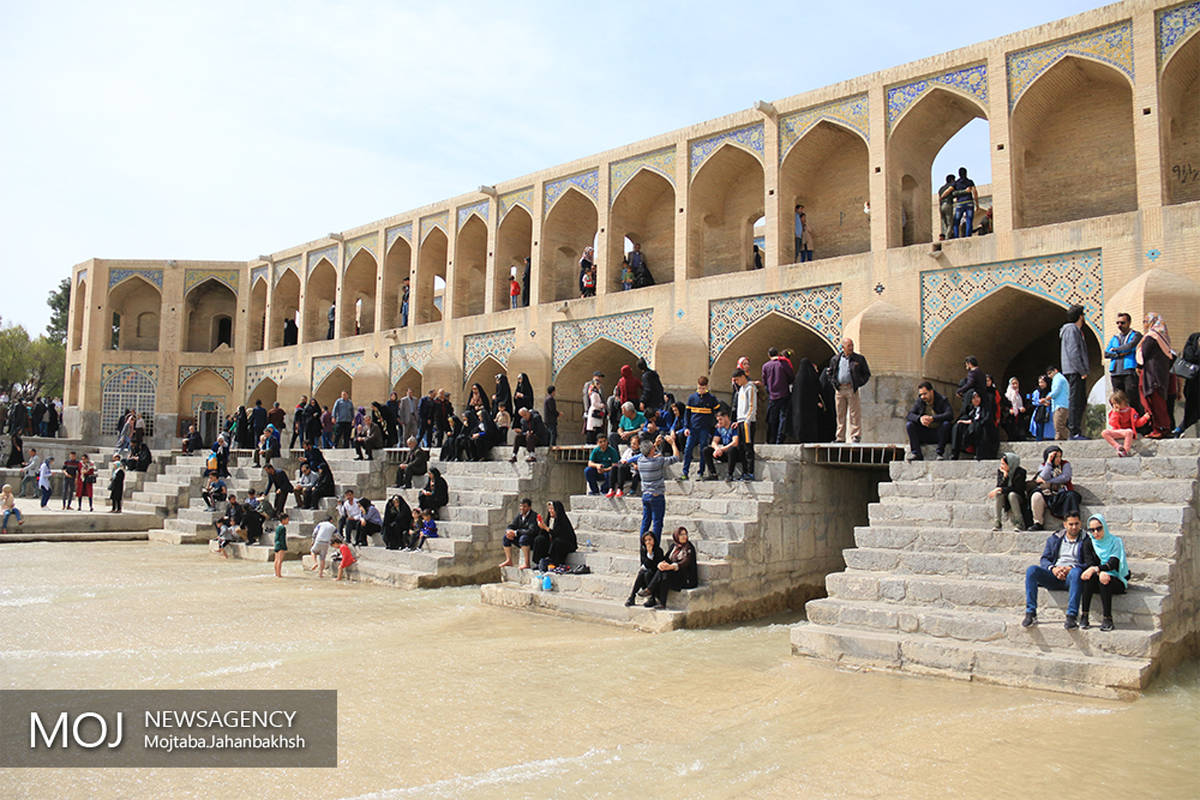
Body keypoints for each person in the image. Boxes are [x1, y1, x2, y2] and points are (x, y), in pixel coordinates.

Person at [1022, 510, 1090, 629]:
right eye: (1071, 524)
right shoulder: (1055, 538)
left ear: (1080, 523)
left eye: (1076, 524)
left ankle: (1072, 616)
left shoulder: (1086, 540)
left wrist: (1070, 568)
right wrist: (1053, 569)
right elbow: (1045, 559)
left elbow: (1088, 563)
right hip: (1054, 575)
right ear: (1065, 524)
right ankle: (1030, 613)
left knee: (1076, 572)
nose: (1074, 527)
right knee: (1031, 570)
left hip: (1072, 577)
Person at [1079, 513, 1130, 631]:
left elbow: (1113, 563)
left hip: (1115, 579)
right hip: (1097, 578)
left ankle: (1108, 618)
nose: (1095, 532)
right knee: (1088, 577)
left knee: (1104, 577)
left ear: (1104, 527)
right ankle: (1084, 615)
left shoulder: (1115, 541)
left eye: (1099, 528)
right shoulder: (1088, 542)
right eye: (1092, 530)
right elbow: (1089, 562)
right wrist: (1096, 570)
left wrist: (1098, 569)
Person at [636, 431, 681, 546]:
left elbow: (648, 454)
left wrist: (655, 444)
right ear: (651, 450)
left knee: (646, 521)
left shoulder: (640, 461)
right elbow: (676, 457)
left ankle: (643, 546)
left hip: (645, 495)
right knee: (657, 523)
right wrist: (672, 443)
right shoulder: (658, 462)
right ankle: (655, 547)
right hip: (656, 496)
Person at [1137, 312, 1174, 438]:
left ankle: (1160, 429)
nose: (1144, 324)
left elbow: (1144, 353)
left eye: (1145, 321)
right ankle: (1161, 428)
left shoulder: (1152, 337)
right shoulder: (1163, 338)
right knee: (1159, 402)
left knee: (1156, 402)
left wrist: (1139, 363)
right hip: (1160, 375)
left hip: (1152, 375)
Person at [644, 527, 698, 609]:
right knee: (652, 573)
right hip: (674, 574)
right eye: (681, 534)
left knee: (664, 573)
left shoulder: (689, 548)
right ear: (676, 536)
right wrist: (662, 564)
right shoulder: (674, 546)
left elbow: (685, 563)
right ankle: (655, 600)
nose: (684, 536)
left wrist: (671, 567)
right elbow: (666, 558)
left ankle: (650, 590)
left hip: (686, 579)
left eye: (685, 534)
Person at [1029, 445, 1080, 531]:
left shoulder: (1065, 464)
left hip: (1062, 493)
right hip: (1047, 493)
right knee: (1036, 496)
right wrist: (1049, 462)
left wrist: (1049, 482)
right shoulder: (1043, 466)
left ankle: (1070, 523)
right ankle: (1038, 523)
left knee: (1071, 496)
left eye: (1060, 456)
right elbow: (1043, 476)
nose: (1058, 459)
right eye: (1055, 457)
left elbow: (1065, 477)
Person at [828, 338, 870, 444]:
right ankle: (840, 437)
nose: (851, 348)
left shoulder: (858, 359)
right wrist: (835, 383)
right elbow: (830, 373)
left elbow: (866, 374)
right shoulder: (836, 359)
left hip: (851, 389)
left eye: (852, 345)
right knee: (840, 414)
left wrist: (858, 383)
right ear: (843, 347)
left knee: (854, 413)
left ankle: (855, 436)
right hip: (840, 389)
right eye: (849, 346)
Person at [1060, 304, 1090, 440]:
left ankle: (1074, 428)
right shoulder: (1072, 329)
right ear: (1080, 316)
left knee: (1080, 400)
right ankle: (1073, 431)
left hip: (1074, 370)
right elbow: (1073, 352)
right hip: (1074, 370)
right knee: (1076, 400)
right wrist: (1081, 370)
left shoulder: (1072, 330)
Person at [1105, 312, 1143, 415]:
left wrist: (1116, 350)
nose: (1119, 325)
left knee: (1133, 399)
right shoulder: (1115, 337)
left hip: (1129, 371)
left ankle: (1137, 422)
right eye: (1117, 323)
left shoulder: (1136, 335)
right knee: (1118, 401)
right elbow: (1106, 353)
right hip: (1116, 372)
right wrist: (1120, 353)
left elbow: (1130, 346)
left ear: (1129, 323)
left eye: (1122, 323)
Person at [904, 381, 952, 461]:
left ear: (931, 391)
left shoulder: (942, 400)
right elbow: (909, 415)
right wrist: (920, 419)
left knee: (946, 424)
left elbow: (949, 414)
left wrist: (933, 418)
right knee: (909, 425)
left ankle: (940, 453)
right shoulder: (920, 401)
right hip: (925, 432)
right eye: (921, 394)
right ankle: (916, 454)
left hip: (939, 434)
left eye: (925, 394)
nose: (923, 397)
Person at [949, 390, 996, 461]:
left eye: (978, 397)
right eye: (974, 398)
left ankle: (979, 453)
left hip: (982, 429)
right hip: (970, 430)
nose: (976, 399)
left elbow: (985, 420)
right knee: (957, 426)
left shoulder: (985, 408)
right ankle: (954, 452)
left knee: (976, 426)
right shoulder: (970, 409)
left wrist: (972, 422)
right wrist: (965, 421)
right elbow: (965, 417)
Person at [988, 452, 1029, 531]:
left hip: (1017, 497)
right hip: (1006, 496)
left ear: (1010, 464)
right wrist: (1004, 477)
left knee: (1012, 495)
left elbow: (1017, 488)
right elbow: (999, 486)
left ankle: (1020, 523)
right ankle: (997, 522)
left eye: (1003, 464)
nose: (1001, 466)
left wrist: (1001, 489)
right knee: (999, 494)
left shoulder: (1021, 472)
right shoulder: (1001, 471)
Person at [762, 347, 794, 444]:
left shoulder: (766, 366)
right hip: (784, 394)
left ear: (769, 355)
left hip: (772, 396)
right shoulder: (783, 364)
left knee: (772, 418)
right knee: (783, 417)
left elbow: (764, 381)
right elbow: (791, 377)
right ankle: (779, 439)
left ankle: (771, 439)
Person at [533, 500, 577, 569]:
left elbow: (558, 534)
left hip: (565, 543)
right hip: (552, 542)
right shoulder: (549, 519)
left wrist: (546, 528)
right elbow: (544, 534)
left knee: (557, 542)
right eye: (549, 509)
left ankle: (555, 563)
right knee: (539, 539)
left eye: (552, 509)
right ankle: (539, 562)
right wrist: (542, 527)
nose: (550, 511)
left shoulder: (562, 520)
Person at [624, 533, 664, 606]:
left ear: (654, 540)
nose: (648, 542)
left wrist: (650, 554)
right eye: (646, 540)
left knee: (647, 573)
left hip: (655, 576)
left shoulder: (659, 551)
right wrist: (649, 554)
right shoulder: (643, 550)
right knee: (642, 573)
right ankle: (632, 596)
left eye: (650, 540)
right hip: (646, 574)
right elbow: (644, 564)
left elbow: (656, 566)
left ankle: (652, 598)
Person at [702, 410, 743, 481]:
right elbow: (714, 442)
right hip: (724, 452)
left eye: (720, 419)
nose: (719, 422)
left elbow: (735, 442)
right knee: (706, 450)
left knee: (732, 449)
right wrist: (717, 449)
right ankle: (713, 474)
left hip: (735, 454)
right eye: (718, 420)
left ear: (726, 417)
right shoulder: (720, 428)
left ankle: (730, 474)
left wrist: (721, 449)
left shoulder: (734, 426)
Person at [732, 369, 757, 481]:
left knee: (748, 447)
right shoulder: (741, 389)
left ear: (742, 377)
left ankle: (750, 472)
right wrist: (738, 420)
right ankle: (744, 471)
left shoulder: (750, 388)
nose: (737, 382)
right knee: (741, 447)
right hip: (740, 421)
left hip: (748, 422)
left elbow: (752, 405)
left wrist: (747, 419)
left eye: (737, 380)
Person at [500, 497, 538, 569]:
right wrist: (509, 531)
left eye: (524, 506)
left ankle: (527, 563)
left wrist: (516, 532)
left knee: (524, 538)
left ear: (529, 507)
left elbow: (531, 531)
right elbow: (512, 525)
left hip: (531, 540)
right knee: (506, 537)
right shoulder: (519, 516)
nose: (522, 508)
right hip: (521, 539)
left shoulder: (534, 516)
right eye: (521, 506)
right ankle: (509, 560)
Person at [1176, 330, 1200, 438]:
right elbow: (1188, 356)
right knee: (1191, 411)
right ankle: (1179, 430)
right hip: (1194, 384)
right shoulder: (1194, 338)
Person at [1100, 390, 1140, 457]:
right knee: (1104, 432)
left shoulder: (1131, 411)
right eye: (1113, 404)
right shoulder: (1113, 412)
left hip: (1127, 432)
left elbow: (1137, 423)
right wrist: (1115, 413)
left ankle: (1125, 451)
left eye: (1116, 403)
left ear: (1123, 401)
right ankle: (1118, 447)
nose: (1115, 405)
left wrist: (1145, 418)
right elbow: (1112, 423)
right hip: (1117, 431)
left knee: (1129, 432)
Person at [949, 166, 978, 239]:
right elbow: (975, 192)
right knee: (969, 220)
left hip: (960, 203)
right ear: (966, 173)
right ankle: (968, 236)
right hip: (969, 202)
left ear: (959, 174)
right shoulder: (970, 182)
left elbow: (950, 191)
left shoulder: (956, 183)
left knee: (956, 221)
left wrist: (942, 196)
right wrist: (977, 204)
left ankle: (956, 236)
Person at [1044, 365, 1070, 441]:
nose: (1049, 376)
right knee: (1057, 426)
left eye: (1050, 373)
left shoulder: (1058, 378)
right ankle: (1059, 439)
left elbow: (1056, 390)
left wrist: (1047, 397)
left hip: (1061, 405)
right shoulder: (1057, 378)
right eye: (1048, 374)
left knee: (1058, 424)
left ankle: (1070, 436)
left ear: (1055, 370)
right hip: (1058, 405)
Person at [1001, 377, 1027, 442]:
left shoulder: (1021, 394)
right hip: (1010, 418)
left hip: (1020, 416)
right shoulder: (1006, 395)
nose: (1015, 385)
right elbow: (1003, 406)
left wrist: (1024, 408)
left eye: (1016, 383)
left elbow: (1026, 404)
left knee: (1021, 435)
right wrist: (1008, 410)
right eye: (1013, 383)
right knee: (1011, 435)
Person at [1028, 375, 1053, 440]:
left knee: (1049, 432)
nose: (1040, 384)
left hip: (1048, 414)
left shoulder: (1051, 392)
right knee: (1039, 431)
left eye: (1042, 382)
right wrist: (1040, 402)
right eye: (1039, 382)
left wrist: (1048, 403)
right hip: (1039, 413)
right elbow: (1033, 402)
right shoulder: (1036, 392)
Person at [584, 379, 606, 445]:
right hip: (594, 412)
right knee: (592, 429)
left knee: (597, 427)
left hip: (598, 412)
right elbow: (594, 403)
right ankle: (590, 442)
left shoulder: (597, 393)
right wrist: (601, 405)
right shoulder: (594, 393)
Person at [937, 174, 956, 239]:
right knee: (950, 223)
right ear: (952, 180)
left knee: (945, 224)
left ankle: (946, 236)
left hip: (941, 206)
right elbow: (954, 194)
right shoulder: (951, 186)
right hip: (947, 204)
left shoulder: (941, 188)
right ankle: (947, 238)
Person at [273, 513, 289, 578]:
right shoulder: (282, 528)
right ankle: (279, 574)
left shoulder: (278, 527)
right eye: (287, 519)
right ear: (283, 520)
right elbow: (282, 538)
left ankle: (276, 573)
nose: (288, 521)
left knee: (276, 560)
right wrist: (284, 546)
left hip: (277, 544)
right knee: (280, 560)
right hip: (280, 545)